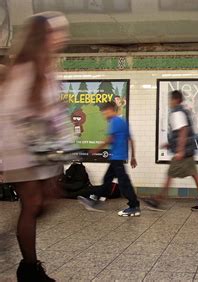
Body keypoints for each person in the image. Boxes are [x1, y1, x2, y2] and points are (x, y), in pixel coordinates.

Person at [0, 12, 70, 281]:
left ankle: (23, 257)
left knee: (40, 204)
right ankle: (29, 268)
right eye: (56, 33)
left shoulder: (43, 69)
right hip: (23, 152)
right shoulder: (23, 70)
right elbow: (14, 117)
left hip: (37, 150)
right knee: (32, 205)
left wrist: (56, 155)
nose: (61, 38)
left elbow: (52, 116)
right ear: (42, 37)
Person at [143, 90, 198, 211]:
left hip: (183, 152)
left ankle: (158, 200)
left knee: (170, 175)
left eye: (170, 99)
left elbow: (183, 131)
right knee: (195, 175)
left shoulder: (177, 113)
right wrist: (170, 144)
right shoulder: (183, 111)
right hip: (188, 150)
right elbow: (182, 132)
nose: (169, 102)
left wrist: (180, 151)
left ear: (175, 100)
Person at [77, 102, 140, 216]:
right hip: (116, 158)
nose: (104, 115)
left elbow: (109, 139)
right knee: (106, 182)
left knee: (124, 183)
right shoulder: (122, 122)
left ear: (110, 110)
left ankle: (134, 206)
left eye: (104, 112)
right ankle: (94, 201)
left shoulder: (115, 121)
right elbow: (131, 140)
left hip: (117, 158)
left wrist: (95, 150)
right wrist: (133, 157)